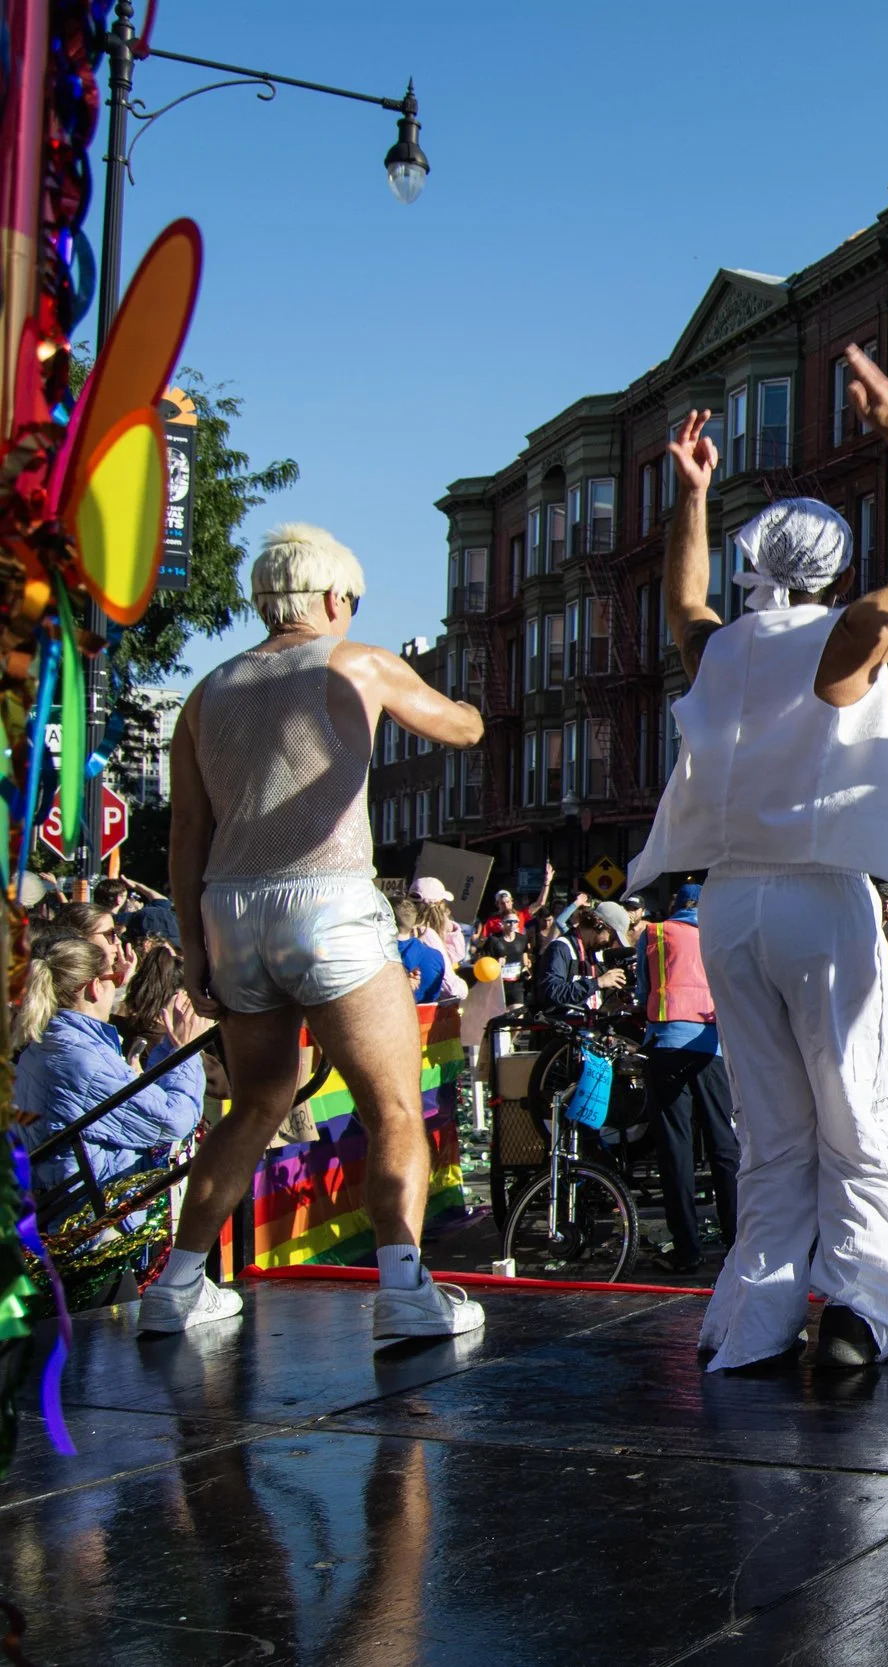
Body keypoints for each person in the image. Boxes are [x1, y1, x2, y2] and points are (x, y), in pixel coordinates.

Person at [627, 343, 888, 1372]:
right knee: (858, 1116)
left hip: (727, 904)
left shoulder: (720, 646)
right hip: (820, 896)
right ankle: (862, 1310)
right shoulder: (850, 635)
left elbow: (682, 600)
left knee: (773, 1133)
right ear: (838, 569)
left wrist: (690, 495)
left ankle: (751, 1320)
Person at [144, 522, 486, 1339]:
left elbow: (185, 833)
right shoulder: (356, 660)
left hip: (229, 909)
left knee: (257, 1102)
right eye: (354, 602)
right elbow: (460, 727)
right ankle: (405, 1291)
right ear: (334, 598)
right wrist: (474, 699)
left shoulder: (205, 691)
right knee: (394, 1107)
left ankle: (177, 1285)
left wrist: (193, 949)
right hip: (326, 898)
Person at [16, 933, 208, 1223]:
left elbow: (146, 1099)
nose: (119, 987)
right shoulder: (81, 1058)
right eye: (116, 979)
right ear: (94, 987)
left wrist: (173, 1046)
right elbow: (173, 1120)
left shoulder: (48, 1045)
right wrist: (186, 1052)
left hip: (70, 1215)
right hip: (96, 1224)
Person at [636, 881, 740, 1274]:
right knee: (723, 1145)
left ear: (675, 905)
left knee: (675, 1149)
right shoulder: (723, 936)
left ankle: (688, 1250)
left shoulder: (655, 933)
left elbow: (644, 990)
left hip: (666, 1042)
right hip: (712, 1046)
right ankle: (735, 1242)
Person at [535, 900, 632, 1014]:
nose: (611, 944)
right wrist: (598, 983)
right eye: (612, 937)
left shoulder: (596, 954)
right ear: (599, 925)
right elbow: (552, 992)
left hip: (592, 1026)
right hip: (565, 1027)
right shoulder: (560, 948)